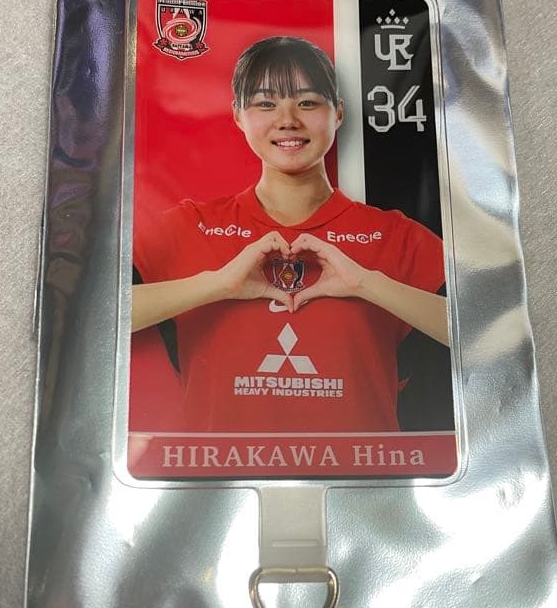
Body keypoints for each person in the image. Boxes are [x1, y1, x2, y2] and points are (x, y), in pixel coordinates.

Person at [131, 36, 449, 433]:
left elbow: (487, 332)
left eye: (308, 102)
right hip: (223, 467)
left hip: (361, 467)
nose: (288, 120)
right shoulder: (189, 226)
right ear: (237, 115)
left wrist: (366, 283)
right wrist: (217, 284)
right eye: (266, 103)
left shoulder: (393, 235)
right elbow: (95, 315)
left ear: (338, 112)